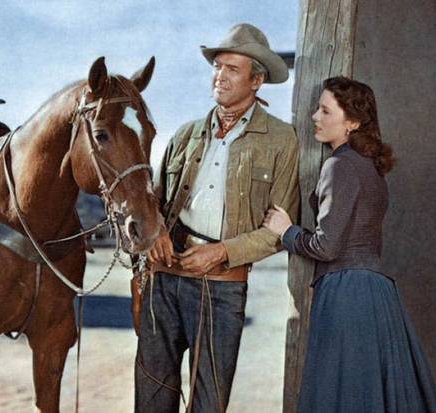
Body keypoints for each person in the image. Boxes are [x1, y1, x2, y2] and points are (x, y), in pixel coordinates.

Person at [134, 23, 299, 412]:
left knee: (209, 403)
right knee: (151, 397)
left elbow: (279, 230)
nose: (219, 76)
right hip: (165, 279)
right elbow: (150, 203)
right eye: (217, 66)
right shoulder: (185, 134)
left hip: (223, 287)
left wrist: (223, 251)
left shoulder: (281, 140)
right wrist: (154, 232)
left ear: (257, 80)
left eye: (232, 69)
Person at [262, 76, 436, 412]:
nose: (315, 117)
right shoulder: (370, 169)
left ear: (353, 123)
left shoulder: (339, 166)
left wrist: (286, 231)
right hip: (375, 293)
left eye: (325, 110)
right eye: (317, 108)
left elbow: (327, 247)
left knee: (344, 395)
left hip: (347, 293)